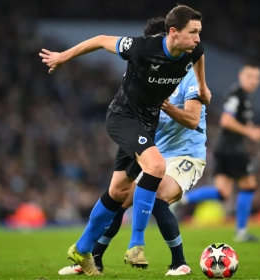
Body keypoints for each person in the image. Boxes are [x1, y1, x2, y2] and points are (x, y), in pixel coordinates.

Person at [40, 5, 211, 276]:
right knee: (155, 167)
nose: (199, 39)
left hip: (146, 125)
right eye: (193, 32)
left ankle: (83, 249)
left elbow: (200, 57)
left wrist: (202, 87)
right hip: (123, 117)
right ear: (174, 32)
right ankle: (136, 244)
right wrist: (63, 57)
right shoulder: (142, 48)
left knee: (118, 192)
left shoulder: (193, 51)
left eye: (199, 32)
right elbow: (99, 40)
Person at [178, 62, 260, 242]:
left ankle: (182, 199)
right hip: (232, 148)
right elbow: (226, 120)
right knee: (249, 185)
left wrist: (250, 128)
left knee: (223, 192)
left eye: (257, 78)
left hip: (222, 147)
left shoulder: (245, 97)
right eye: (250, 76)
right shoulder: (236, 95)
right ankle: (241, 232)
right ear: (241, 76)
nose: (253, 81)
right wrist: (250, 132)